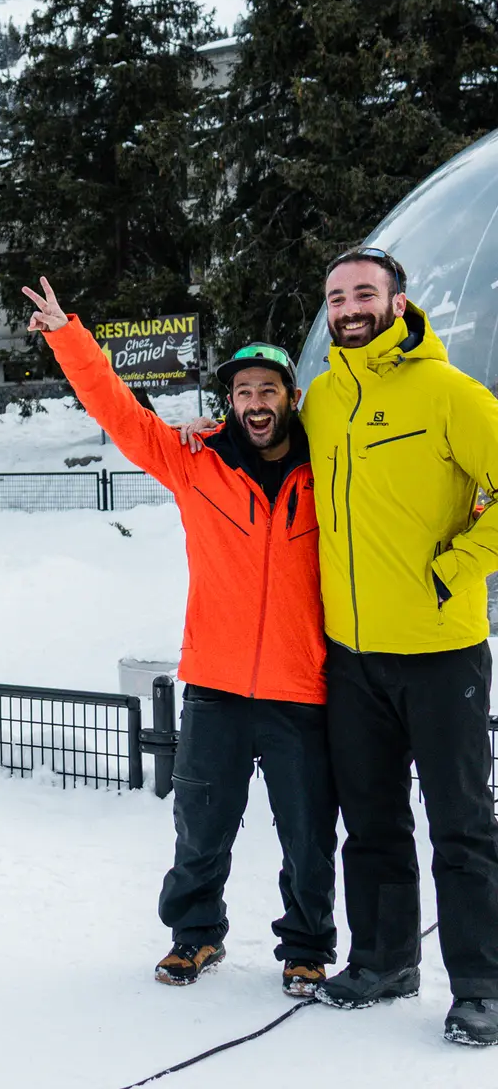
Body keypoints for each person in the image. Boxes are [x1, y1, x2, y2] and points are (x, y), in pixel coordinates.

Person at [23, 276, 337, 996]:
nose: (255, 405)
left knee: (309, 837)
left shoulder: (328, 474)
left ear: (291, 395)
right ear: (229, 402)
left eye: (268, 391)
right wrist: (67, 335)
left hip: (301, 689)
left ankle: (307, 948)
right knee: (200, 829)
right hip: (217, 688)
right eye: (242, 393)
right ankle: (194, 938)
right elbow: (122, 415)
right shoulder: (196, 466)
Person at [299, 247, 498, 1045]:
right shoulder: (321, 399)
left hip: (440, 649)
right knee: (372, 821)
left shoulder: (449, 393)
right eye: (337, 295)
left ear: (398, 300)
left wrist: (458, 569)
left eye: (363, 293)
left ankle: (480, 983)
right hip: (352, 657)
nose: (349, 306)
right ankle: (384, 960)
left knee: (461, 824)